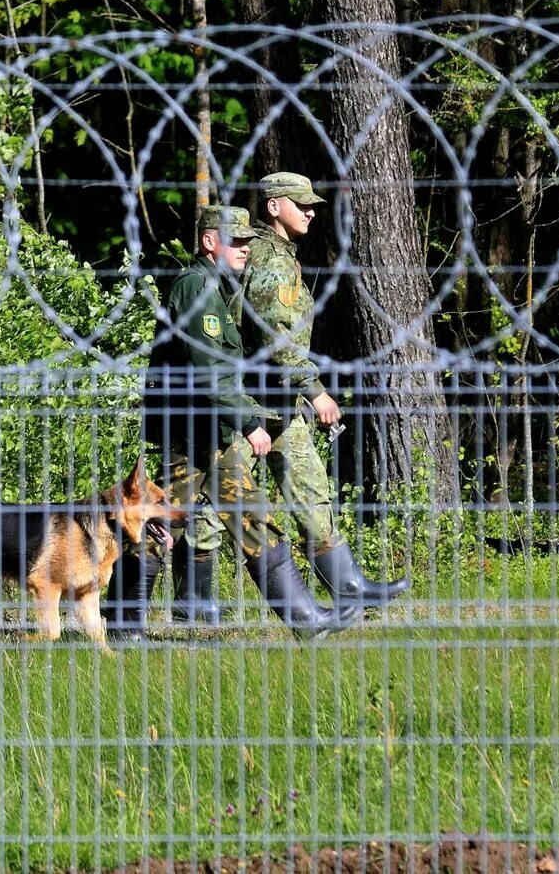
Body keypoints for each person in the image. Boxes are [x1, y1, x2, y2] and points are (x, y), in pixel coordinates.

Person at [114, 204, 361, 640]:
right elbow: (208, 369)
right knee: (161, 523)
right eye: (237, 241)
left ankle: (306, 621)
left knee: (249, 519)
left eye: (249, 240)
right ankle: (120, 624)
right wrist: (248, 421)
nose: (246, 248)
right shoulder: (196, 289)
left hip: (208, 435)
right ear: (211, 242)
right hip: (190, 434)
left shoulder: (212, 286)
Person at [241, 172, 410, 607]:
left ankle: (349, 589)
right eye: (301, 203)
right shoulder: (268, 259)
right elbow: (276, 335)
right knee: (205, 503)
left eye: (312, 203)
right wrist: (315, 390)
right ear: (274, 206)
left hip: (277, 400)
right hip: (248, 403)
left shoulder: (281, 254)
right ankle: (187, 603)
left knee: (312, 489)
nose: (311, 211)